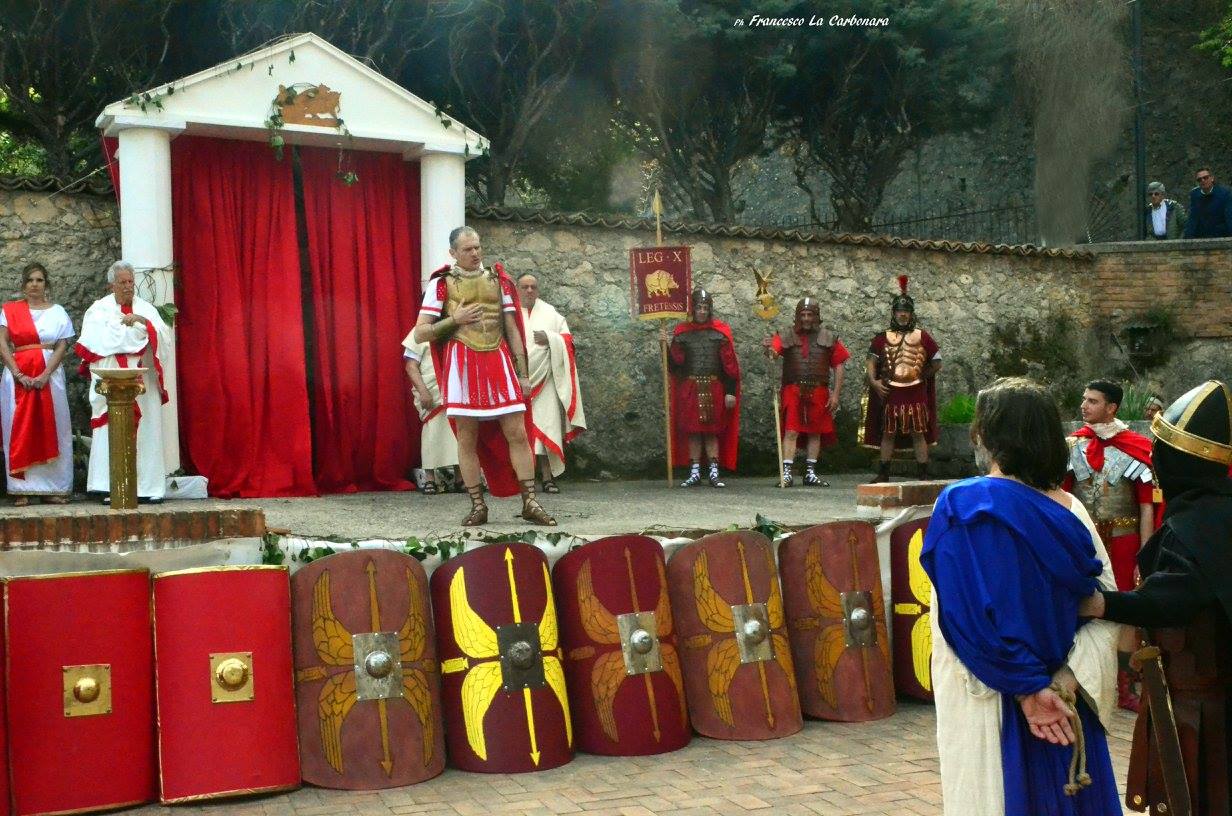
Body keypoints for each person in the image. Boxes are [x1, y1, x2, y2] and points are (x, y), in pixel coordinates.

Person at [923, 377, 1121, 816]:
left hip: (995, 698)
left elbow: (959, 619)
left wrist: (1028, 691)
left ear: (989, 437)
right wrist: (1064, 680)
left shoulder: (960, 506)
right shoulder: (1070, 508)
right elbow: (1108, 606)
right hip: (1064, 702)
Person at [1079, 380, 1232, 816]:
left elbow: (1177, 596)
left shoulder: (1202, 523)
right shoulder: (1213, 508)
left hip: (1201, 700)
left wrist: (1103, 604)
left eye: (1164, 449)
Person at [410, 226, 554, 526]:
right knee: (467, 439)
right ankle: (478, 505)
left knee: (517, 433)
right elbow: (421, 332)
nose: (475, 253)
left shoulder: (498, 280)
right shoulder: (441, 285)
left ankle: (530, 502)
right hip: (462, 363)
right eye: (467, 249)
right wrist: (454, 319)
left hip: (499, 360)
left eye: (477, 247)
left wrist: (523, 373)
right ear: (453, 253)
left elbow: (512, 328)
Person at [1062, 379, 1156, 711]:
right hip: (1085, 542)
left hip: (1125, 541)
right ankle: (1084, 678)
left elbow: (1147, 506)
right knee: (1082, 605)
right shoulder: (1072, 447)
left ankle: (1127, 685)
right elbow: (1063, 500)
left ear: (1111, 407)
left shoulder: (1138, 446)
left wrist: (1145, 555)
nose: (1084, 406)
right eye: (1084, 399)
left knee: (1127, 609)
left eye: (1093, 401)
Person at [76, 261, 172, 503]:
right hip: (112, 381)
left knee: (146, 431)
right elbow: (99, 340)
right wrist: (137, 332)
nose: (128, 287)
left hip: (143, 382)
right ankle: (111, 486)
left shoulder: (146, 309)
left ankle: (148, 488)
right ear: (112, 285)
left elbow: (161, 336)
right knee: (111, 429)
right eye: (123, 282)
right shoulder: (98, 311)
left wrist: (142, 322)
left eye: (131, 282)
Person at [0, 263, 75, 505]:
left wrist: (44, 374)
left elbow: (62, 345)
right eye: (30, 280)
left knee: (53, 425)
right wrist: (17, 373)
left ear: (46, 284)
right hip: (17, 377)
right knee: (18, 428)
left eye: (40, 280)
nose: (35, 284)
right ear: (23, 285)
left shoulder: (58, 312)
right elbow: (2, 342)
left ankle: (53, 488)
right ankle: (22, 488)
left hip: (49, 378)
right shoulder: (10, 311)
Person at [762, 297, 849, 487]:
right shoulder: (786, 335)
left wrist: (835, 394)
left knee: (815, 433)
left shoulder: (828, 337)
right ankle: (786, 473)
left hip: (819, 390)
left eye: (810, 315)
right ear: (797, 316)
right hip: (793, 389)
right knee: (791, 431)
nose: (807, 319)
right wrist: (768, 349)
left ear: (816, 316)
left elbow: (839, 365)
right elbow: (774, 354)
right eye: (803, 315)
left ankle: (810, 473)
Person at [861, 275, 940, 482]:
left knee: (918, 431)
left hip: (916, 390)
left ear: (911, 313)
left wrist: (924, 376)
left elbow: (937, 361)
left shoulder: (923, 337)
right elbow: (871, 361)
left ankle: (923, 473)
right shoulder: (881, 337)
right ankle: (883, 472)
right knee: (888, 432)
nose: (903, 315)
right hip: (891, 391)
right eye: (899, 311)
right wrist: (873, 381)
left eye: (906, 311)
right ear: (894, 313)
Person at [517, 273, 587, 494]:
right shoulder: (508, 314)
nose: (529, 291)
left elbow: (567, 341)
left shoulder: (550, 313)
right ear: (517, 289)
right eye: (525, 287)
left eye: (533, 287)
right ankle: (524, 480)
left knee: (547, 429)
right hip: (517, 382)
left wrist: (549, 338)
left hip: (545, 380)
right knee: (519, 434)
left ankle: (547, 478)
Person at [665, 287, 741, 488]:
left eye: (705, 307)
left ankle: (714, 474)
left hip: (715, 386)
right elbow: (674, 365)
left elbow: (729, 366)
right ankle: (695, 472)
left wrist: (730, 391)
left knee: (711, 431)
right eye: (698, 307)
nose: (702, 311)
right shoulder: (682, 334)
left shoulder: (720, 334)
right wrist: (664, 346)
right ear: (693, 309)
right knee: (693, 431)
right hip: (690, 387)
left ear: (710, 309)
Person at [401, 334, 459, 495]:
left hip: (454, 386)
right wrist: (423, 391)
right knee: (432, 432)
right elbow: (411, 366)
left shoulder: (454, 327)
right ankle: (430, 479)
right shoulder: (418, 332)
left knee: (459, 431)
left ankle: (461, 479)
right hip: (431, 389)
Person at [1183, 167, 1232, 239]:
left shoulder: (1224, 193)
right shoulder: (1194, 194)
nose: (1203, 180)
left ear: (1212, 178)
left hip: (1220, 235)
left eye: (1205, 178)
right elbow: (1193, 218)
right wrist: (1187, 238)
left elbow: (1229, 216)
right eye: (1199, 179)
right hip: (1201, 236)